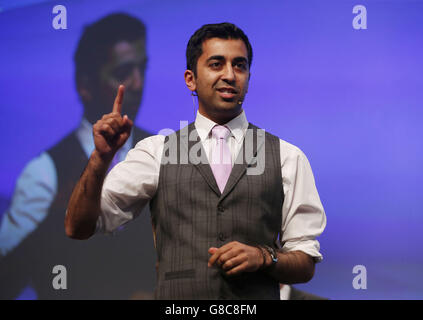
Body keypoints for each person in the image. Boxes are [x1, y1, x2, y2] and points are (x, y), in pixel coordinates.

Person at [65, 22, 327, 300]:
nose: (229, 75)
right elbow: (78, 227)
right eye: (216, 64)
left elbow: (305, 263)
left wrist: (264, 258)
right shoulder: (156, 151)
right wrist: (100, 158)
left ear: (248, 77)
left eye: (239, 65)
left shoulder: (287, 156)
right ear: (191, 79)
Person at [0, 13, 156, 299]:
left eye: (141, 69)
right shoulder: (46, 173)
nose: (137, 83)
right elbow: (6, 276)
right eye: (123, 73)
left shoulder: (163, 153)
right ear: (85, 84)